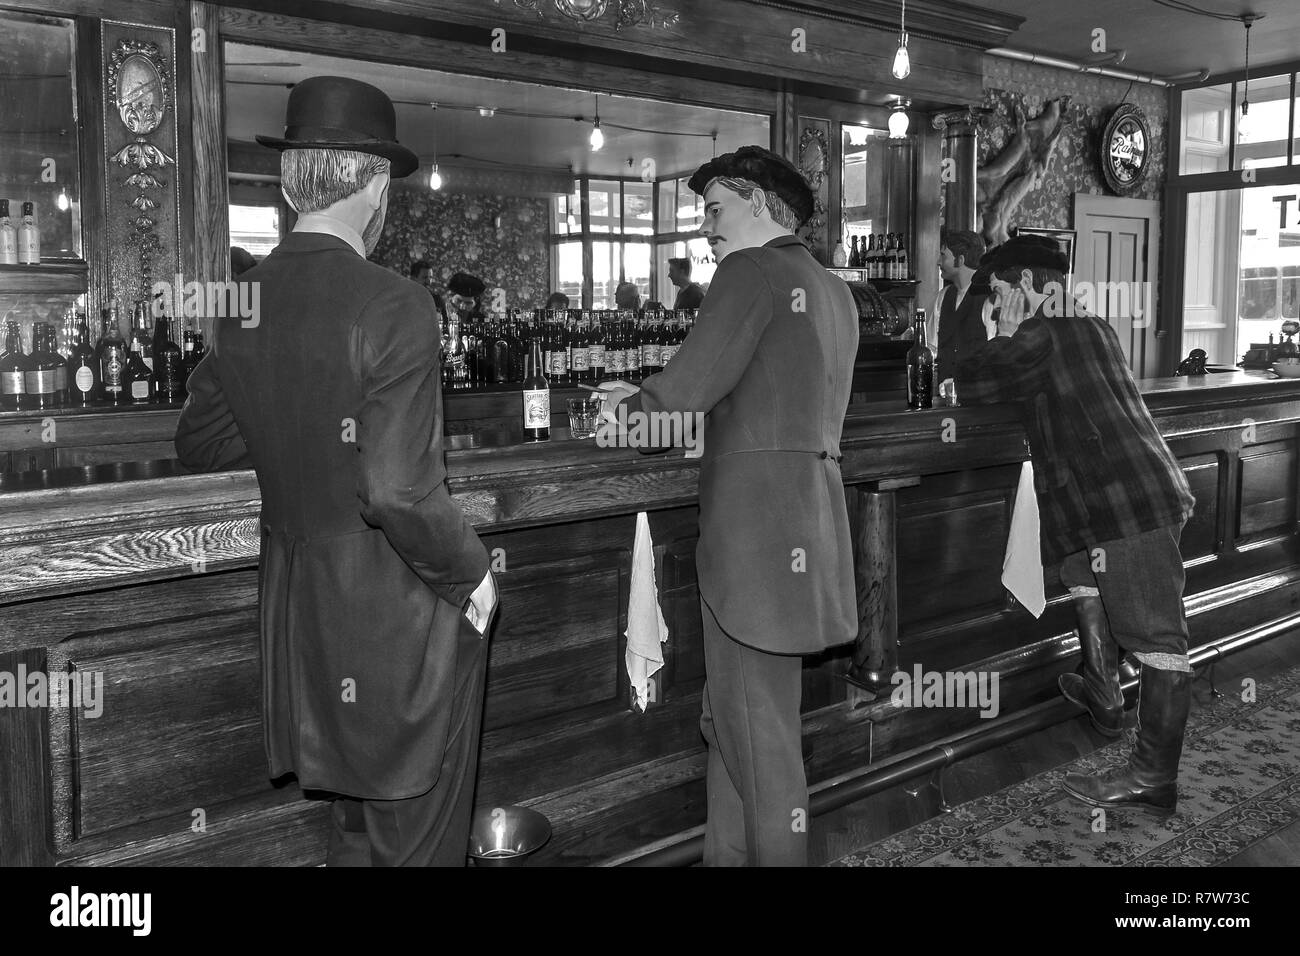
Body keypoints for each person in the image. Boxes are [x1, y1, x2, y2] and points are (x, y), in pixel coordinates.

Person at [174, 76, 498, 866]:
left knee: (354, 844)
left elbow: (203, 444)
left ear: (294, 183)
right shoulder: (396, 305)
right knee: (418, 846)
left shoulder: (239, 303)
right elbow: (395, 490)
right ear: (376, 183)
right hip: (398, 631)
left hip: (303, 634)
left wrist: (298, 416)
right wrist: (475, 575)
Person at [595, 146, 859, 865]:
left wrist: (627, 410)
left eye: (715, 209)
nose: (706, 226)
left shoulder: (751, 271)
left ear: (760, 204)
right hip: (809, 531)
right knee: (737, 727)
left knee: (762, 751)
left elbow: (678, 402)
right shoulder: (831, 288)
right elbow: (764, 395)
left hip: (754, 546)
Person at [952, 234, 1196, 815]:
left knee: (1159, 639)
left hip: (1124, 505)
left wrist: (1004, 333)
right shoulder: (1088, 322)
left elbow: (973, 384)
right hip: (1110, 497)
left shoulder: (1041, 332)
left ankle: (1151, 780)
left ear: (1030, 286)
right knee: (1081, 573)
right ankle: (1105, 695)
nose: (996, 303)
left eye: (1002, 291)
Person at [926, 230, 990, 386]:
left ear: (960, 260)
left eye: (943, 256)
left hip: (977, 397)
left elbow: (997, 352)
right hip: (944, 395)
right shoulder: (943, 296)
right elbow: (930, 347)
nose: (938, 262)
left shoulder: (990, 298)